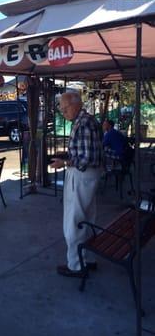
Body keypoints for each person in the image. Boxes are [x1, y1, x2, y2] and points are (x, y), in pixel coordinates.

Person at [50, 92, 103, 277]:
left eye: (65, 109)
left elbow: (86, 158)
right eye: (61, 110)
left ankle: (76, 266)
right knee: (87, 218)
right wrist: (67, 157)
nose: (63, 113)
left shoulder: (83, 123)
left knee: (74, 222)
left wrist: (64, 163)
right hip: (88, 176)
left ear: (76, 104)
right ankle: (88, 259)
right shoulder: (87, 120)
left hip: (82, 176)